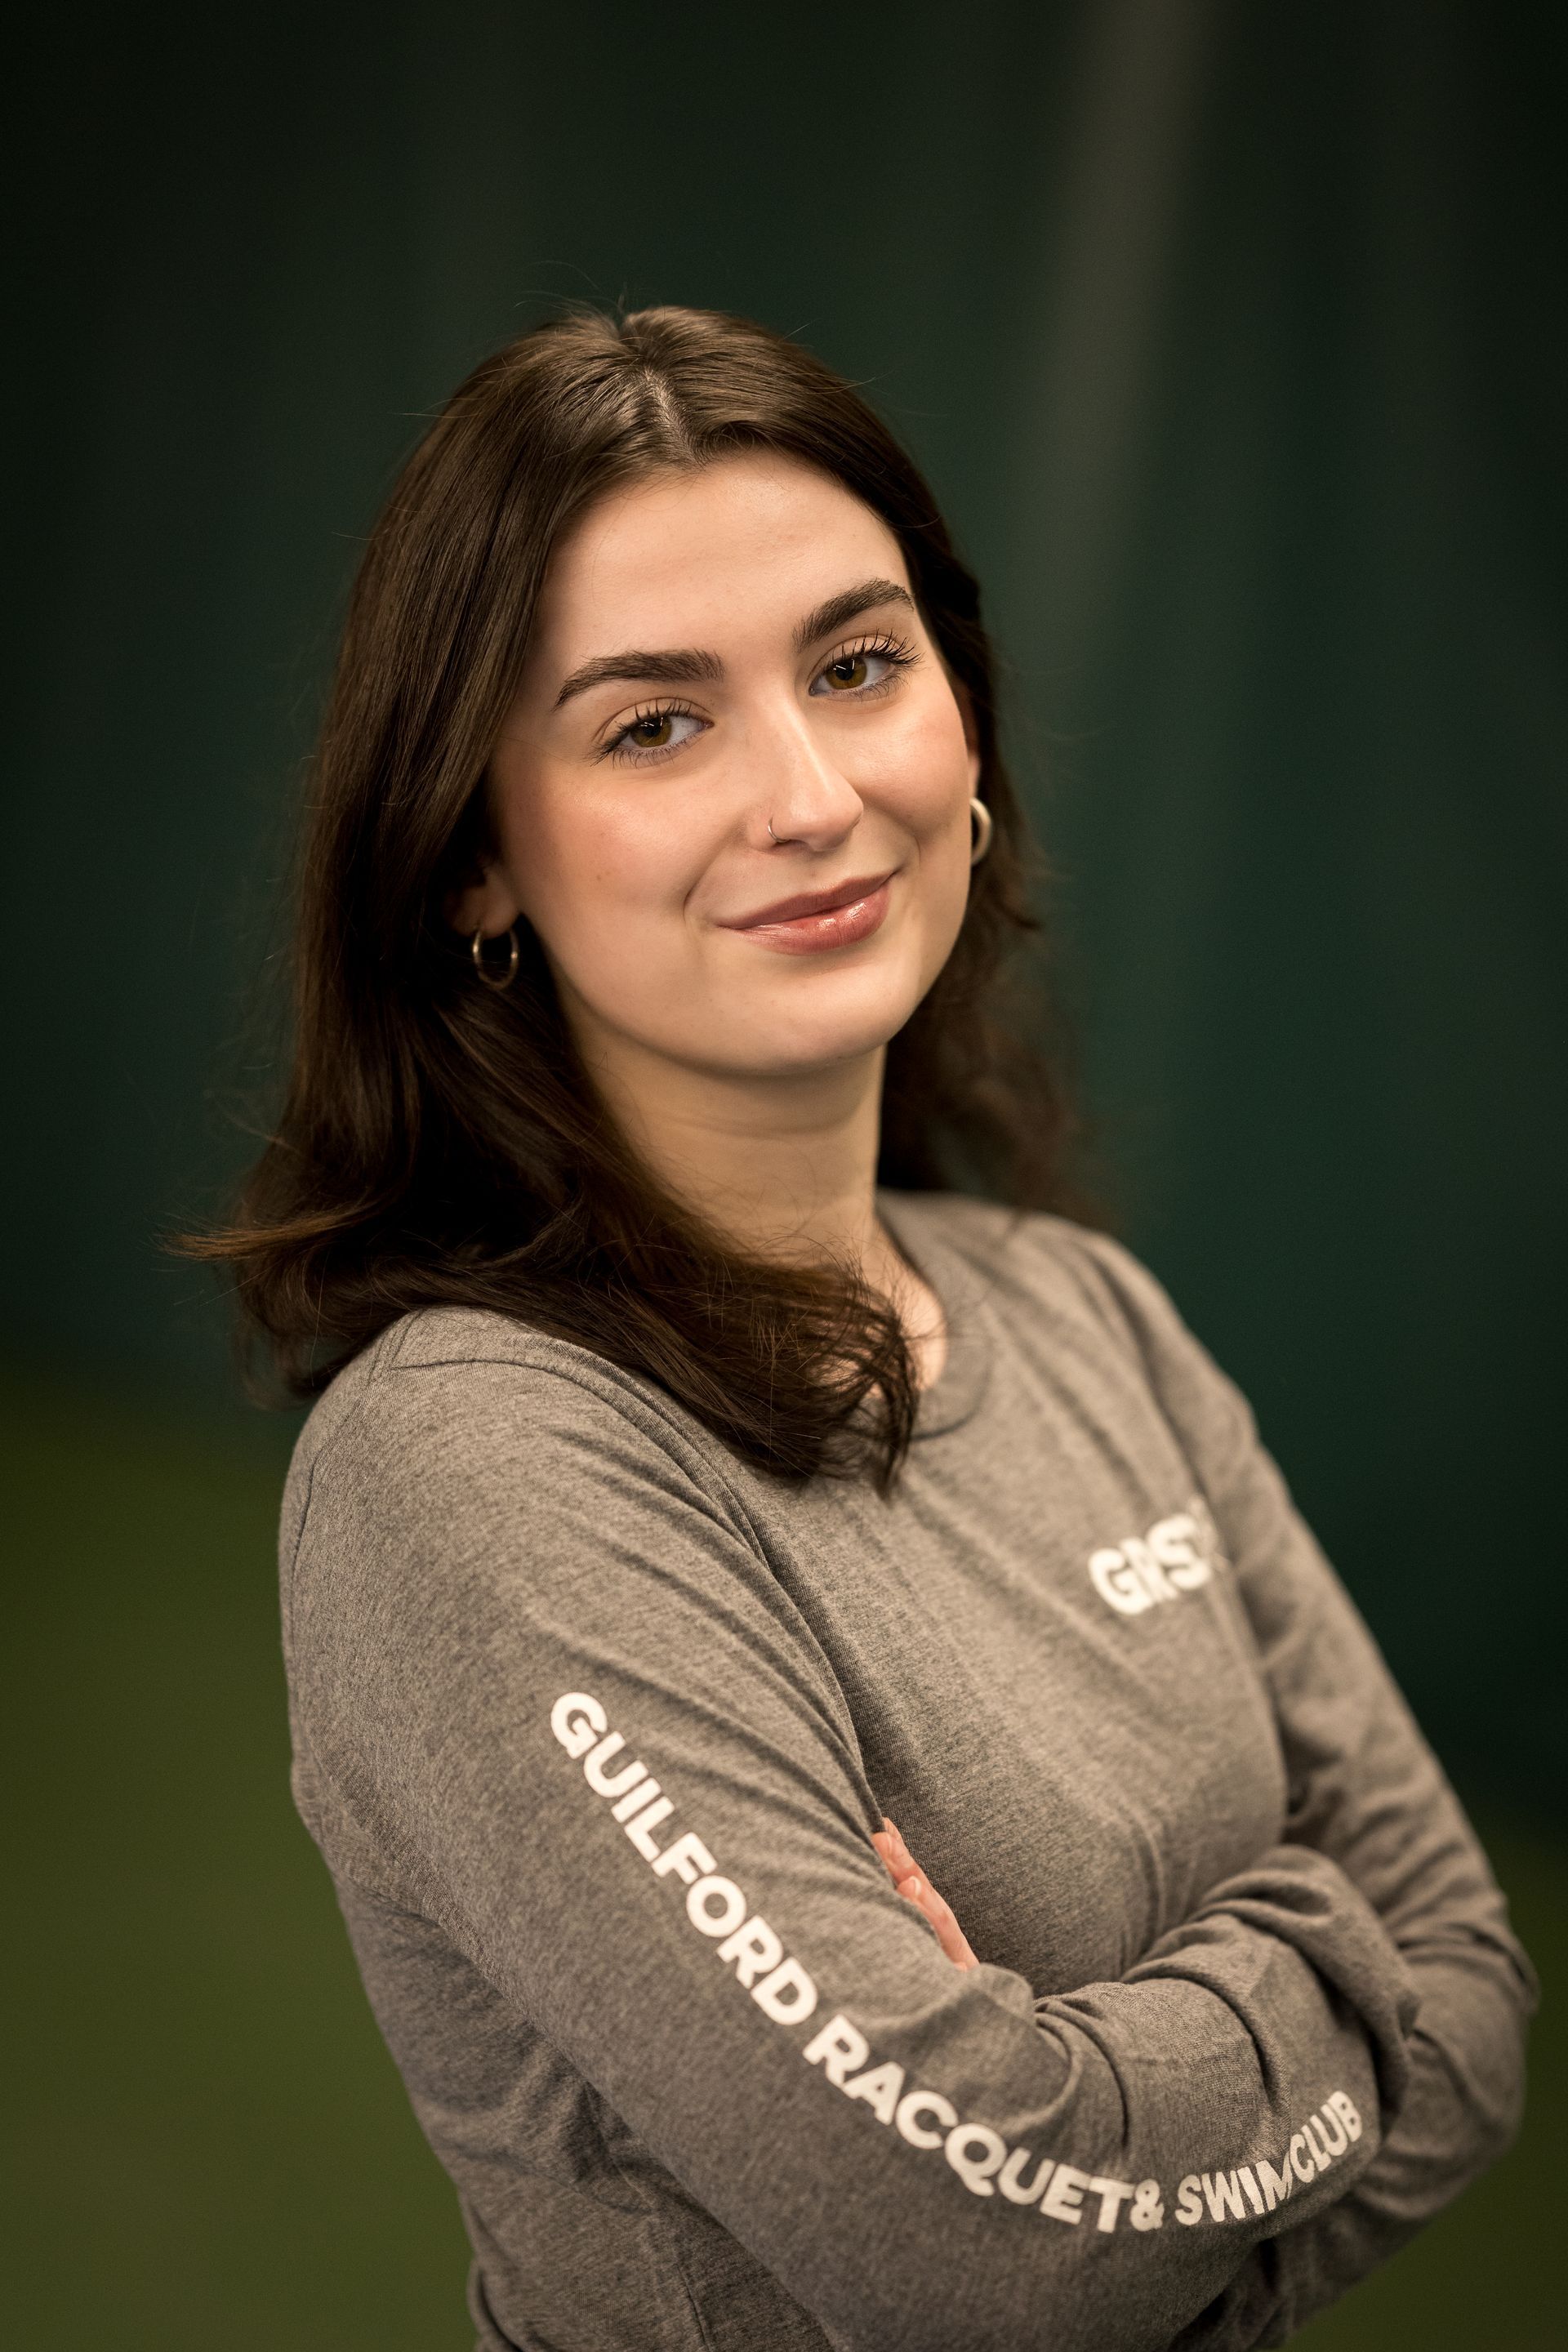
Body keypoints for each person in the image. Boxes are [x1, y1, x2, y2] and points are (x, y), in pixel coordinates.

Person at [198, 305, 1533, 2352]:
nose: (813, 795)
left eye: (856, 663)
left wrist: (1096, 2086)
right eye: (655, 722)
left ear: (965, 722)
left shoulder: (1091, 1317)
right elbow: (998, 2254)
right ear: (474, 858)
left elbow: (1481, 1996)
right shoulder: (475, 1471)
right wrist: (1323, 1958)